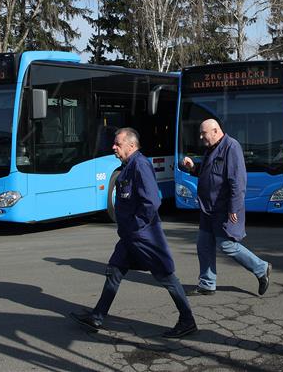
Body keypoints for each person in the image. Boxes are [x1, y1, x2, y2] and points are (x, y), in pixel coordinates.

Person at [70, 128, 197, 338]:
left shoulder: (140, 165)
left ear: (131, 145)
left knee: (166, 276)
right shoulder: (128, 165)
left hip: (145, 236)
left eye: (117, 144)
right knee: (114, 271)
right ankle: (97, 316)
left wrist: (136, 226)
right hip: (130, 236)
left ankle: (187, 320)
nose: (113, 147)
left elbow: (152, 201)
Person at [181, 118, 272, 296]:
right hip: (208, 209)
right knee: (204, 244)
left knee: (227, 245)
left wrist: (234, 208)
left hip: (224, 209)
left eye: (203, 133)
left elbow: (237, 182)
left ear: (215, 131)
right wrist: (193, 168)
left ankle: (261, 268)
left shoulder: (232, 147)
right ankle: (207, 284)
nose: (201, 137)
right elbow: (209, 173)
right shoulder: (211, 148)